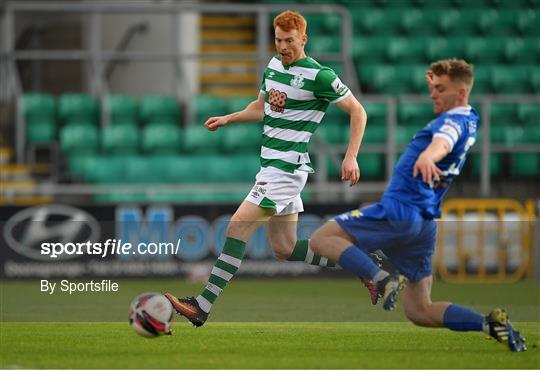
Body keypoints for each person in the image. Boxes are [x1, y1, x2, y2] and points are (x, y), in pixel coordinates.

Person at [165, 10, 368, 327]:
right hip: (272, 168)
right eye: (278, 39)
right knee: (285, 248)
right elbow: (260, 108)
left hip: (285, 169)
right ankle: (363, 263)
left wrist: (351, 155)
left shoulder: (319, 76)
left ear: (303, 39)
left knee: (236, 227)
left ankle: (202, 306)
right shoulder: (273, 66)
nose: (283, 46)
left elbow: (358, 111)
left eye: (289, 40)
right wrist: (228, 118)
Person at [309, 59, 527, 352]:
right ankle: (490, 324)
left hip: (399, 210)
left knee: (322, 238)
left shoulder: (450, 123)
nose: (432, 94)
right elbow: (451, 131)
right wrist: (439, 80)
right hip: (423, 224)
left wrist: (429, 156)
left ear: (461, 93)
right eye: (432, 87)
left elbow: (443, 141)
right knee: (420, 310)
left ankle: (381, 279)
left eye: (440, 89)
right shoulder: (471, 118)